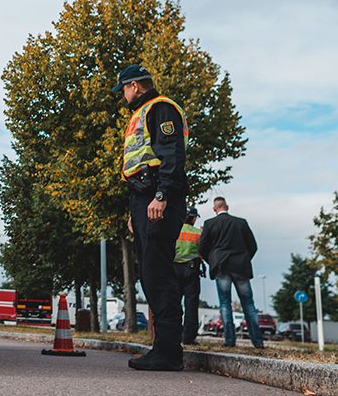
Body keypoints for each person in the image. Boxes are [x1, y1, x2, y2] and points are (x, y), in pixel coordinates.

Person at [113, 64, 188, 371]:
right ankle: (163, 347)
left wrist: (162, 196)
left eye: (124, 90)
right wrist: (137, 211)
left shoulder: (160, 108)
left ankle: (169, 351)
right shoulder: (143, 112)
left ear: (135, 85)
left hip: (157, 195)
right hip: (144, 199)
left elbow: (171, 154)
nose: (123, 97)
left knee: (158, 275)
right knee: (149, 273)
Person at [199, 196, 264, 348]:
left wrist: (213, 261)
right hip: (241, 266)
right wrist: (244, 259)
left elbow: (202, 247)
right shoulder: (241, 223)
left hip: (221, 267)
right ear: (227, 206)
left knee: (225, 304)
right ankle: (257, 342)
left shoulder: (209, 224)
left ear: (214, 209)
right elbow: (252, 245)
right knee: (248, 304)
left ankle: (229, 341)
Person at [173, 205, 203, 345]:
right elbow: (203, 251)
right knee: (191, 304)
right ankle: (189, 338)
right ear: (194, 218)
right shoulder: (198, 233)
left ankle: (173, 336)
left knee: (173, 304)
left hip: (173, 270)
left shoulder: (173, 231)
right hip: (191, 270)